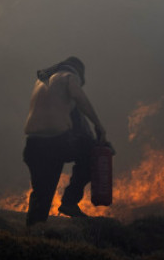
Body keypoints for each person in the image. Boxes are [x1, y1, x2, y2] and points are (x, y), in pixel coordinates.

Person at [22, 56, 107, 226]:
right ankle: (69, 201)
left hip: (33, 145)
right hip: (56, 143)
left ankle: (33, 233)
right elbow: (79, 97)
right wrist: (98, 125)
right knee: (93, 154)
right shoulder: (68, 76)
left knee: (42, 193)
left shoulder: (41, 83)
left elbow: (67, 115)